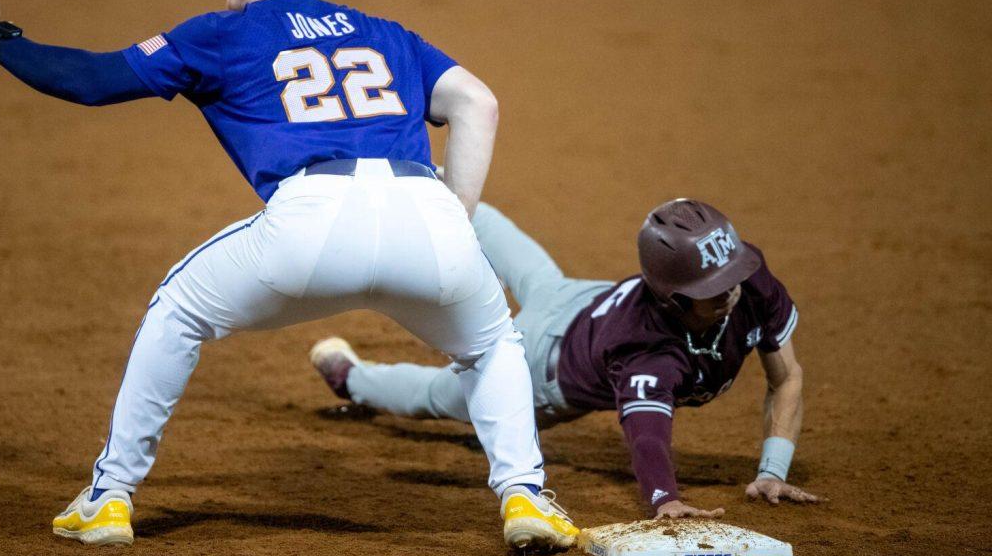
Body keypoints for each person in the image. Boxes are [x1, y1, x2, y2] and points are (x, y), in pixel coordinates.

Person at [0, 0, 579, 552]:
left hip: (310, 227)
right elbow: (478, 102)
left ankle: (109, 499)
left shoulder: (219, 35)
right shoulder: (388, 33)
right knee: (491, 344)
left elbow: (90, 79)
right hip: (426, 220)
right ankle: (525, 496)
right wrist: (455, 221)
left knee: (178, 309)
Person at [310, 198, 820, 519]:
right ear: (671, 297)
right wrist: (666, 498)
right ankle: (352, 377)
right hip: (538, 370)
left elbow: (787, 376)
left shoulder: (746, 275)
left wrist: (773, 471)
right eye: (712, 289)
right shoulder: (646, 350)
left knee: (489, 227)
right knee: (438, 397)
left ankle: (431, 188)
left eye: (731, 277)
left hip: (576, 298)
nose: (731, 292)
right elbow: (645, 435)